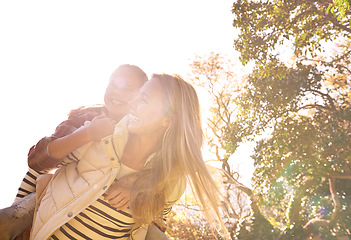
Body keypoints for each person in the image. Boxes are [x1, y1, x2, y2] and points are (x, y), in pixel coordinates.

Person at [28, 74, 228, 239]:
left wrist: (141, 187)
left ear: (167, 121)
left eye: (144, 99)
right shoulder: (101, 136)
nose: (131, 103)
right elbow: (39, 163)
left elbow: (157, 224)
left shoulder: (172, 181)